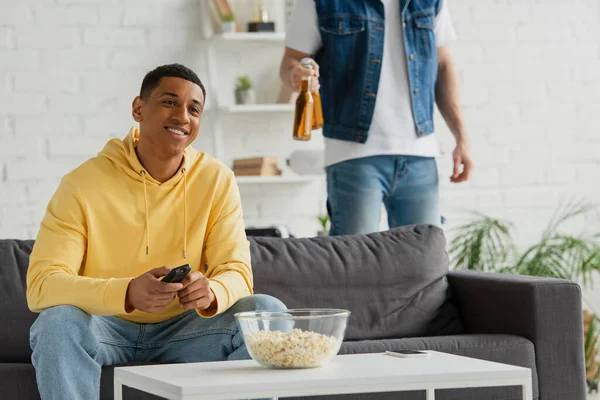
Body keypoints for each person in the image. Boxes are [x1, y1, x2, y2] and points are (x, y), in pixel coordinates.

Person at [26, 64, 286, 400]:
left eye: (194, 109)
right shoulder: (82, 184)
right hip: (104, 327)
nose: (182, 116)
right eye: (169, 102)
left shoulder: (216, 179)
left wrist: (211, 292)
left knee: (268, 311)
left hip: (186, 330)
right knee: (56, 323)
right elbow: (41, 285)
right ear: (138, 109)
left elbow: (237, 272)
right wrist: (128, 293)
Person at [280, 0, 473, 235]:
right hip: (353, 156)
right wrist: (296, 73)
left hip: (420, 157)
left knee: (423, 266)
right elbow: (290, 61)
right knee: (356, 264)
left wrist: (461, 137)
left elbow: (443, 66)